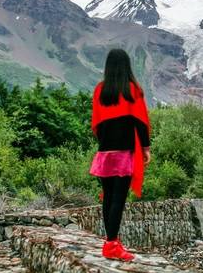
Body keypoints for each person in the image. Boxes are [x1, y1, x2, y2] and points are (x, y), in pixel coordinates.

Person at [89, 48, 151, 261]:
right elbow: (141, 121)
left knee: (108, 199)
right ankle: (112, 244)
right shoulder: (132, 90)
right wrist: (145, 147)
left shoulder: (100, 90)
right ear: (126, 67)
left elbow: (96, 123)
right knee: (118, 200)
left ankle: (110, 242)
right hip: (124, 153)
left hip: (104, 154)